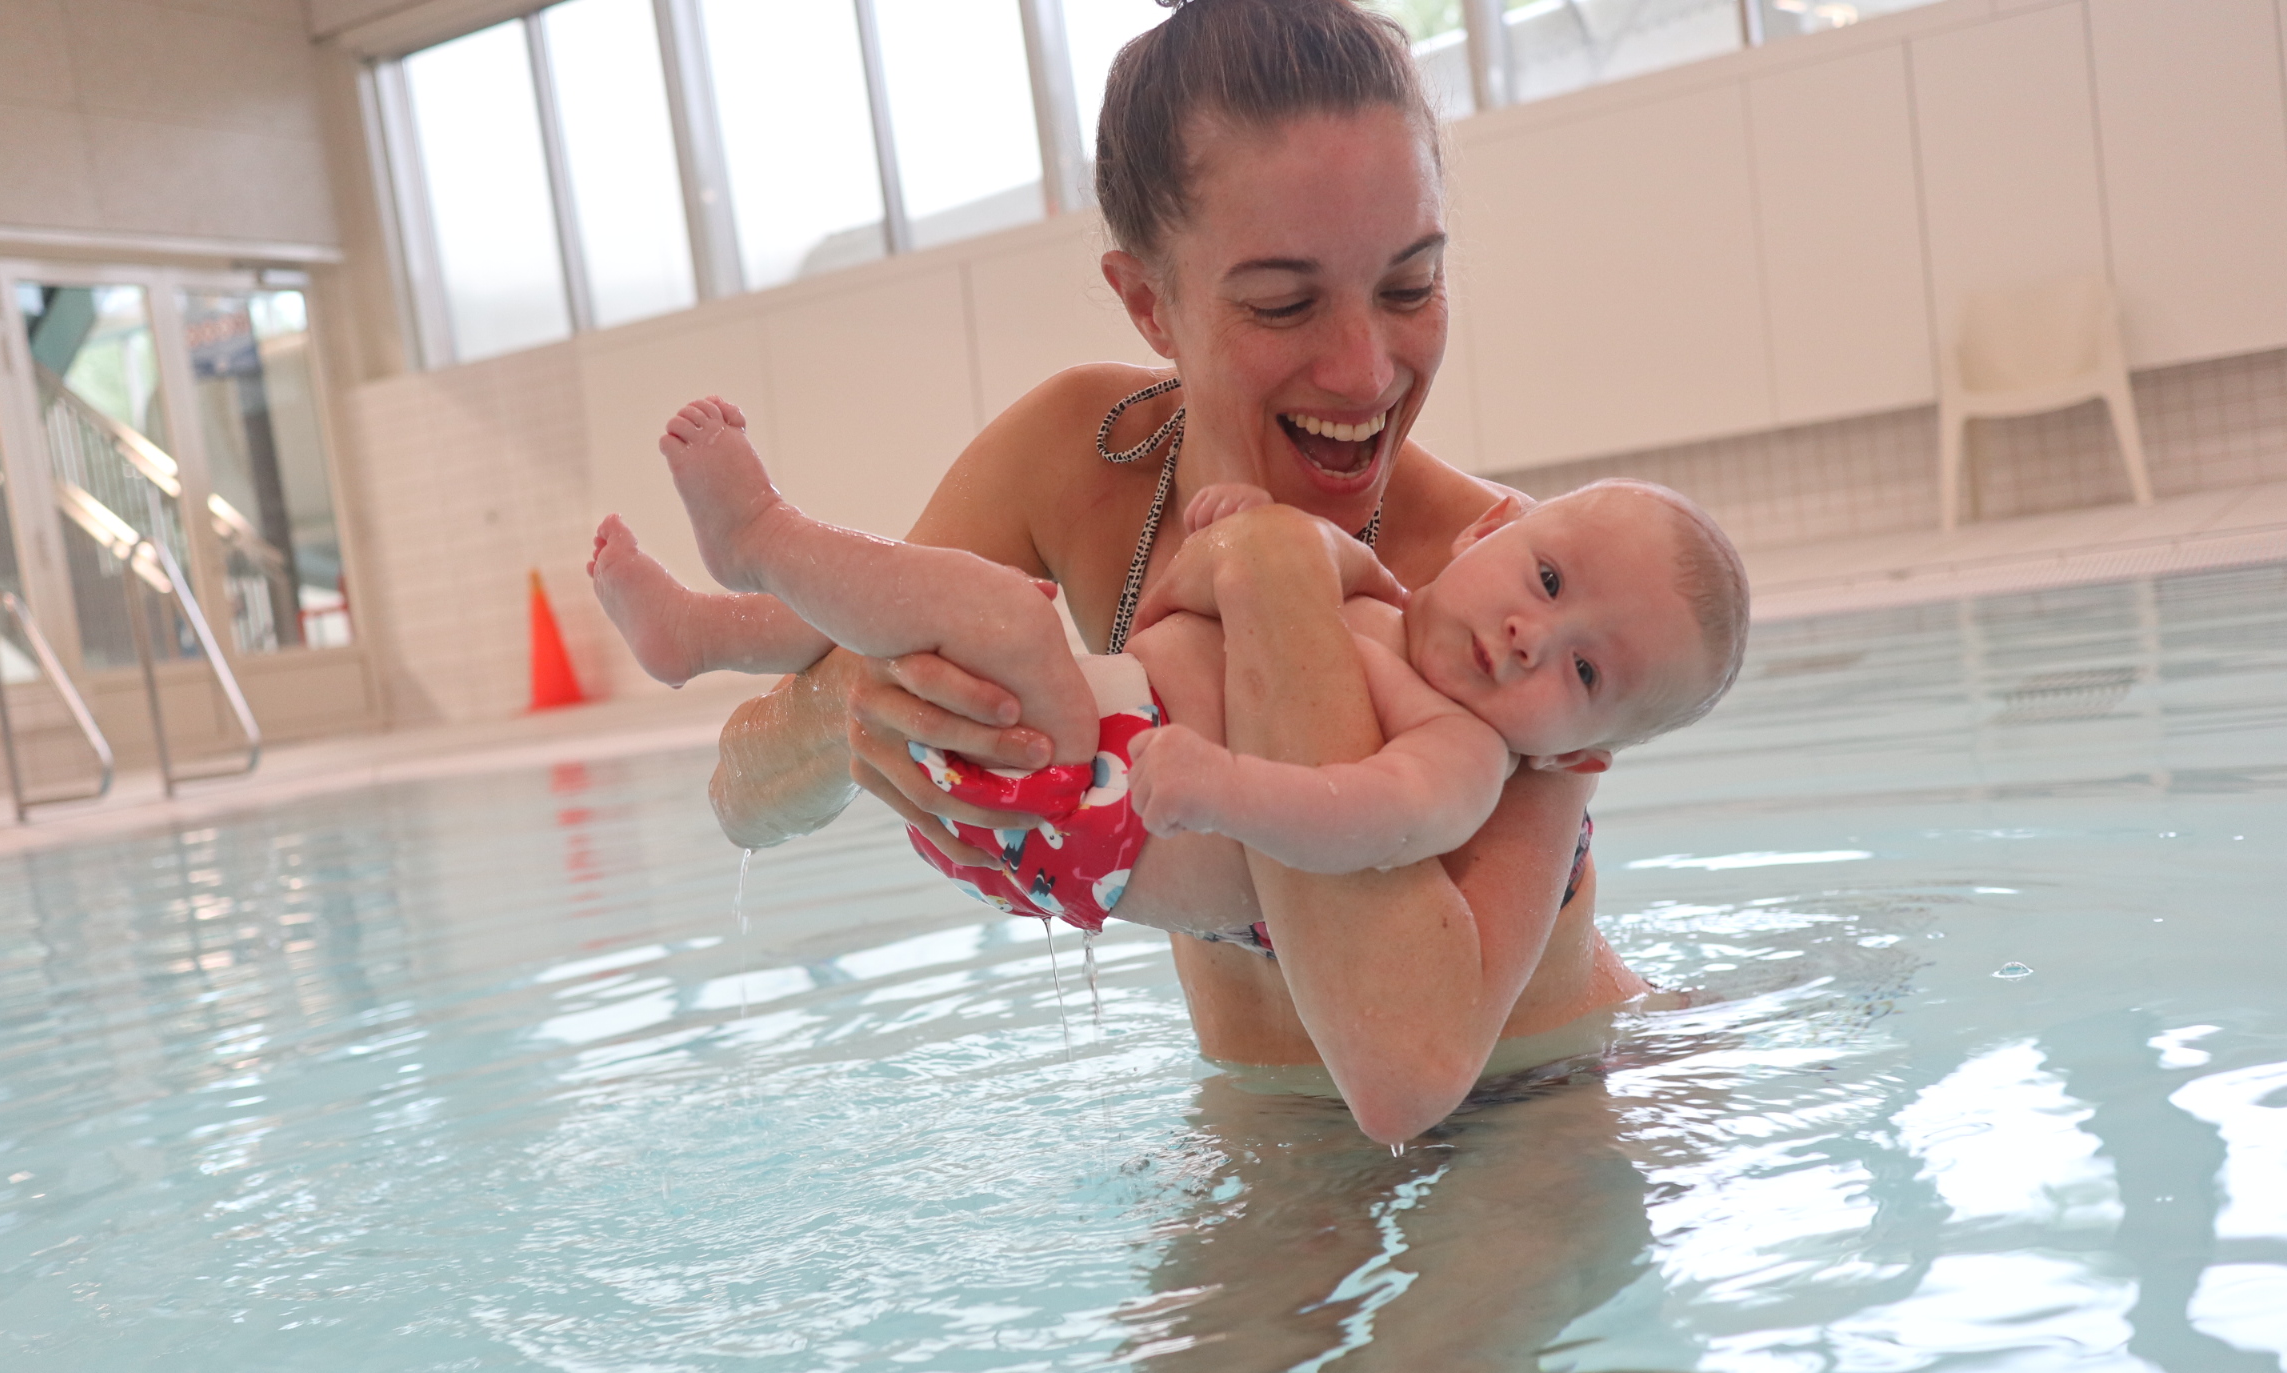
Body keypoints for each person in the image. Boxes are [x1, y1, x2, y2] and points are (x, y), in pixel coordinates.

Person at [643, 0, 1712, 1144]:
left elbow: (1408, 1055)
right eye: (1284, 303)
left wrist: (1272, 569)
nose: (1365, 372)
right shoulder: (1077, 464)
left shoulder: (1518, 606)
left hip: (1541, 1112)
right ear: (1149, 301)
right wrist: (855, 702)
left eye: (1410, 287)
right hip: (1264, 1131)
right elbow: (743, 792)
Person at [590, 400, 1745, 951]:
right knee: (933, 610)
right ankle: (707, 629)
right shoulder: (1380, 599)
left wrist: (1219, 787)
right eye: (1546, 579)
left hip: (1106, 817)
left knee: (992, 613)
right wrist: (1242, 528)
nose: (1534, 636)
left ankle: (761, 535)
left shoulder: (1464, 752)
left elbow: (1362, 817)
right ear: (1493, 527)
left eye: (1583, 668)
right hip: (1063, 767)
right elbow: (1285, 560)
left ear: (1578, 754)